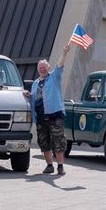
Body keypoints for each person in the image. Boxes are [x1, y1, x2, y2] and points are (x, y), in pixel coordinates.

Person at [24, 44, 71, 175]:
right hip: (40, 118)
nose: (42, 69)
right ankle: (49, 165)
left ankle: (60, 166)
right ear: (38, 69)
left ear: (48, 68)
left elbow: (60, 65)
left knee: (58, 141)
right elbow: (36, 97)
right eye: (40, 68)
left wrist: (64, 53)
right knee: (43, 142)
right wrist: (29, 95)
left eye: (44, 67)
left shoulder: (54, 77)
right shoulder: (35, 83)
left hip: (55, 116)